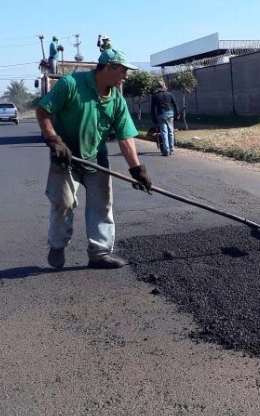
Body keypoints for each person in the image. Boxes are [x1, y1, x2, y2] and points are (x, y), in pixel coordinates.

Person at [35, 47, 153, 270]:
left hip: (96, 159)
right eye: (123, 71)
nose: (126, 76)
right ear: (109, 68)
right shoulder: (71, 84)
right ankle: (58, 245)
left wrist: (137, 169)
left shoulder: (116, 99)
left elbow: (125, 137)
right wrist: (53, 139)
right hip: (65, 157)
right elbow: (43, 111)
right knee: (63, 204)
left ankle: (99, 253)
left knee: (102, 205)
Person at [150, 80, 178, 156]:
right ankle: (171, 148)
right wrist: (177, 114)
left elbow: (152, 109)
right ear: (164, 86)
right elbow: (175, 104)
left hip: (161, 115)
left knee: (164, 132)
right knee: (171, 131)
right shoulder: (169, 94)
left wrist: (154, 119)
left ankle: (166, 150)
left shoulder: (154, 96)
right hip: (170, 114)